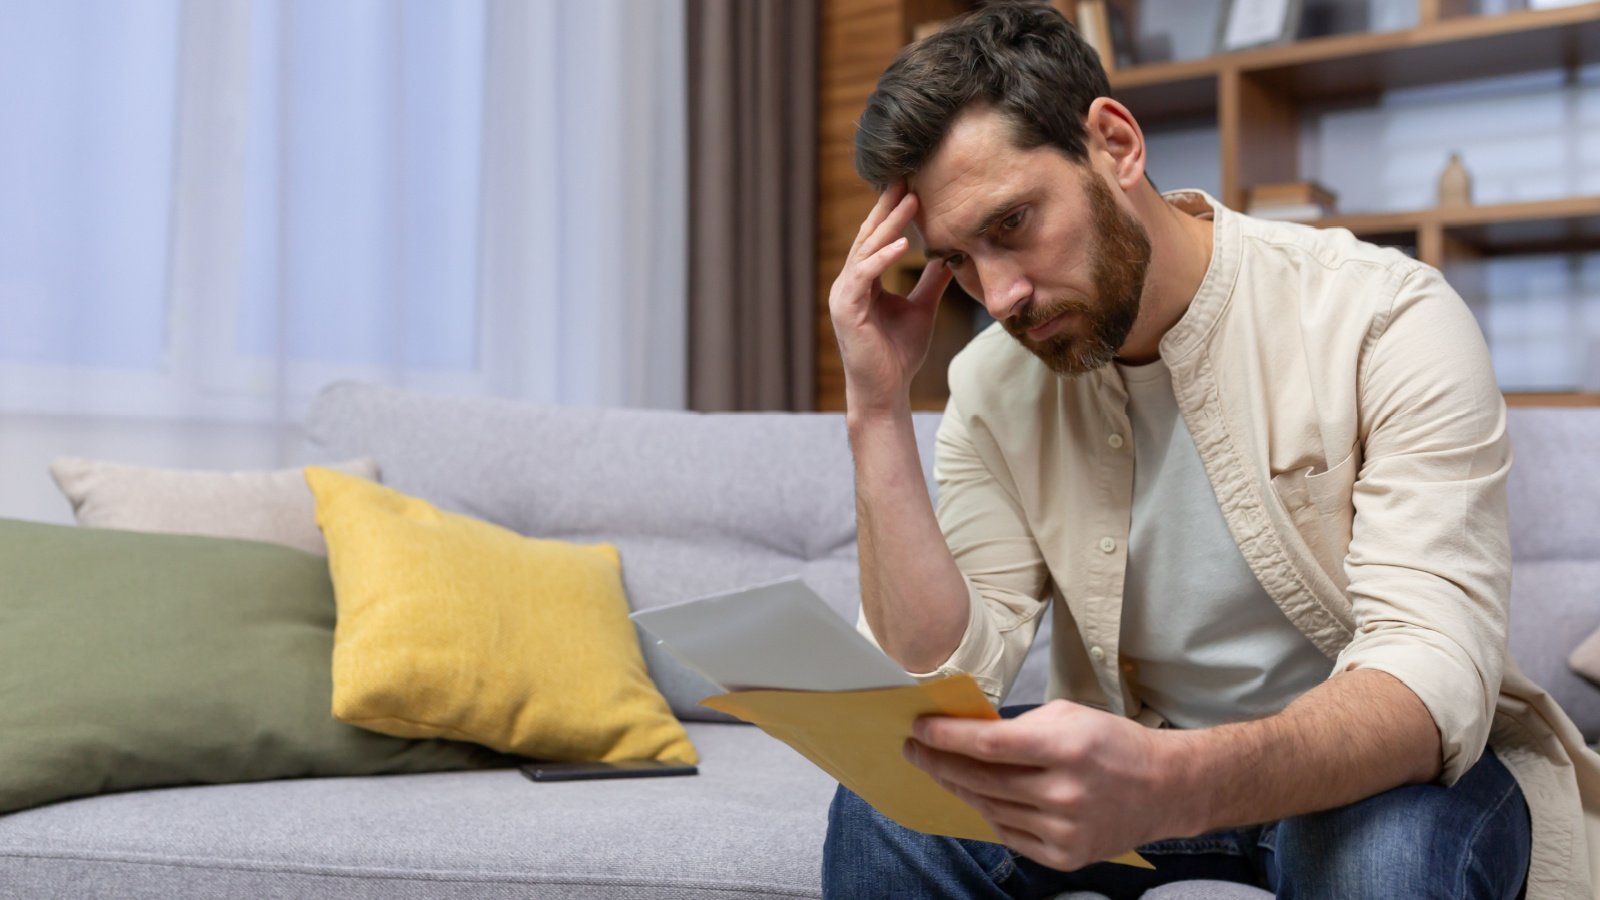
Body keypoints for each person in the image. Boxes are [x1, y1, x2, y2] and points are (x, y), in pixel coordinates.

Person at [821, 4, 1599, 898]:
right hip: (1134, 768)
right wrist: (876, 406)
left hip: (1363, 776)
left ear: (1115, 145)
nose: (998, 296)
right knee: (889, 804)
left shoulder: (1385, 318)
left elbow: (1427, 675)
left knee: (1387, 858)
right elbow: (947, 679)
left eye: (1013, 224)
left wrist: (1165, 785)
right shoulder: (995, 382)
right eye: (958, 258)